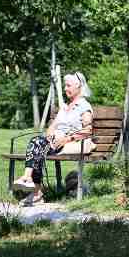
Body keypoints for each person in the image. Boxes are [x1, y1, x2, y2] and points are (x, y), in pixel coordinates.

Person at [12, 71, 94, 205]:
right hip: (54, 141)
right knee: (36, 144)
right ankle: (30, 182)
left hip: (67, 143)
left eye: (68, 86)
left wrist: (66, 139)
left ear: (79, 86)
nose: (65, 89)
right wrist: (50, 133)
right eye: (65, 86)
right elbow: (53, 126)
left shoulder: (84, 106)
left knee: (37, 145)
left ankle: (34, 190)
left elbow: (87, 130)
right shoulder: (65, 107)